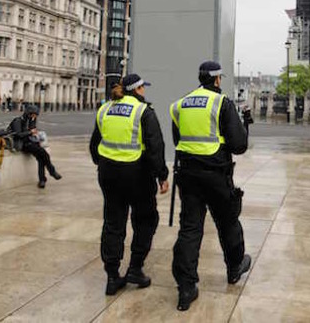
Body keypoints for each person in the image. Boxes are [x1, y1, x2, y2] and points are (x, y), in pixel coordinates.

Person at [170, 61, 250, 311]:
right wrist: (244, 125)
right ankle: (234, 267)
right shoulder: (222, 103)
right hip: (216, 174)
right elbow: (239, 145)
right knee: (227, 222)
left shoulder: (180, 104)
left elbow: (178, 140)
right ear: (216, 80)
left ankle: (186, 287)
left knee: (190, 229)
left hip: (188, 174)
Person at [90, 74, 169, 296]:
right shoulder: (143, 111)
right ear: (137, 89)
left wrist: (103, 163)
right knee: (146, 220)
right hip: (137, 174)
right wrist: (162, 175)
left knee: (113, 222)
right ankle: (135, 268)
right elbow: (156, 147)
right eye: (144, 87)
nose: (145, 91)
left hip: (108, 173)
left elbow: (95, 144)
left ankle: (112, 276)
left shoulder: (105, 109)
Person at [9, 105, 61, 188]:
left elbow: (33, 132)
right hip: (22, 144)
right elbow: (18, 135)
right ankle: (51, 171)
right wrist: (30, 132)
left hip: (31, 142)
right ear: (28, 113)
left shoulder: (31, 121)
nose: (35, 117)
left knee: (41, 158)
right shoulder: (18, 121)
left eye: (36, 115)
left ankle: (42, 180)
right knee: (43, 153)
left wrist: (36, 136)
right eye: (33, 115)